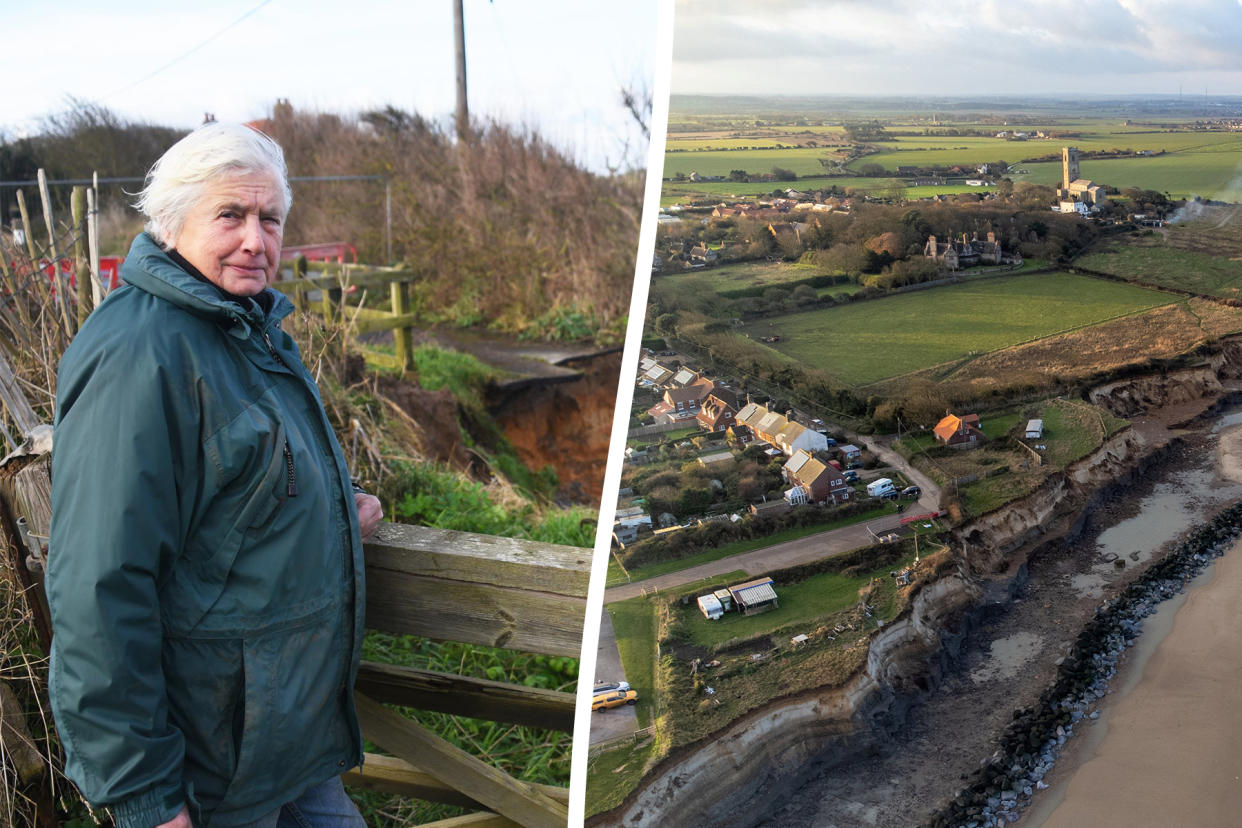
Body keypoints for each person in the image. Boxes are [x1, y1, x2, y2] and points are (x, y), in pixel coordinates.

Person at [47, 122, 383, 828]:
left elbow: (236, 492)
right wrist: (146, 796)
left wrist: (332, 510)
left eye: (270, 219)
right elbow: (98, 586)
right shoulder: (143, 354)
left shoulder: (242, 329)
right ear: (172, 223)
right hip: (210, 773)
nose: (255, 241)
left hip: (287, 745)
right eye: (230, 215)